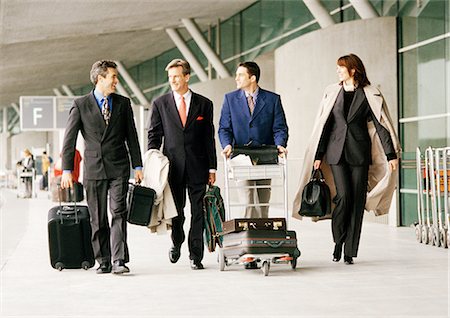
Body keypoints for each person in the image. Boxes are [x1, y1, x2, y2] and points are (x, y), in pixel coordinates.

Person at [293, 53, 400, 265]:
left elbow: (381, 125)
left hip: (360, 154)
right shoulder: (333, 93)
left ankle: (350, 250)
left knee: (357, 200)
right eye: (337, 68)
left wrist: (390, 154)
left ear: (353, 70)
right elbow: (325, 124)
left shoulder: (369, 94)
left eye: (341, 68)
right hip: (335, 153)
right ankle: (338, 242)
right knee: (343, 197)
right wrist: (318, 155)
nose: (338, 71)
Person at [60, 60, 143, 275]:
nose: (116, 81)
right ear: (100, 78)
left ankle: (119, 259)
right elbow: (69, 140)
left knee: (118, 212)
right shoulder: (80, 104)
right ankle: (103, 259)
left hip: (119, 166)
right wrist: (67, 170)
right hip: (94, 167)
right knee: (97, 217)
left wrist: (138, 165)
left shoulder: (123, 104)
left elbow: (132, 137)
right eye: (113, 77)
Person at [147, 58, 217, 270]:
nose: (173, 81)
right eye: (170, 77)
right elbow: (154, 136)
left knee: (198, 212)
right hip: (172, 168)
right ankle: (176, 242)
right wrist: (152, 162)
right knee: (177, 211)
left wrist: (212, 168)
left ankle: (196, 255)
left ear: (187, 76)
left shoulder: (204, 104)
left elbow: (208, 138)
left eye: (177, 76)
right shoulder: (160, 104)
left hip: (199, 166)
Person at [218, 61, 288, 219]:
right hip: (241, 156)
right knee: (248, 200)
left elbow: (280, 127)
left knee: (263, 202)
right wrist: (227, 144)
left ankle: (263, 236)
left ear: (253, 78)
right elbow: (224, 128)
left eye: (240, 75)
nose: (236, 78)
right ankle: (248, 236)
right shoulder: (230, 99)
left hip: (265, 155)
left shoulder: (272, 99)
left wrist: (280, 145)